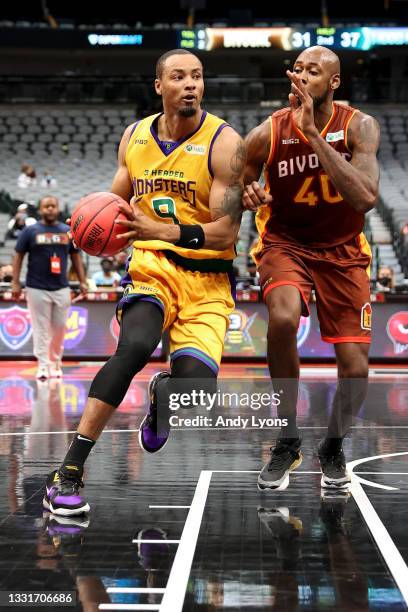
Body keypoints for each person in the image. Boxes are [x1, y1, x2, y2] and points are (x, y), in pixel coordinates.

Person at [43, 49, 245, 516]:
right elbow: (114, 203)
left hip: (208, 280)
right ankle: (69, 470)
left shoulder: (224, 142)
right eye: (179, 77)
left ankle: (162, 397)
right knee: (132, 348)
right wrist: (91, 225)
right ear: (160, 86)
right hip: (152, 267)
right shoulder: (134, 137)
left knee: (197, 391)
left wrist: (165, 230)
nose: (191, 84)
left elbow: (226, 231)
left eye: (197, 76)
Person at [243, 46, 380, 491]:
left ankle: (333, 445)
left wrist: (314, 137)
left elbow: (364, 198)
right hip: (287, 243)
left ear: (334, 83)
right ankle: (286, 440)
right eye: (297, 69)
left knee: (356, 371)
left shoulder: (359, 126)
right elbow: (233, 179)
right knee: (282, 318)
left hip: (343, 250)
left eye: (313, 72)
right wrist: (245, 192)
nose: (301, 77)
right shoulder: (268, 132)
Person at [11, 195, 88, 380]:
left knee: (60, 328)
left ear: (58, 208)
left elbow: (76, 256)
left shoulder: (67, 231)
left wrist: (83, 281)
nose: (50, 209)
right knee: (41, 329)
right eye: (46, 206)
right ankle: (44, 365)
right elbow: (18, 255)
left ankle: (55, 362)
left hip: (61, 287)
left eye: (53, 206)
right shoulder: (30, 231)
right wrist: (15, 282)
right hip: (36, 287)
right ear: (40, 209)